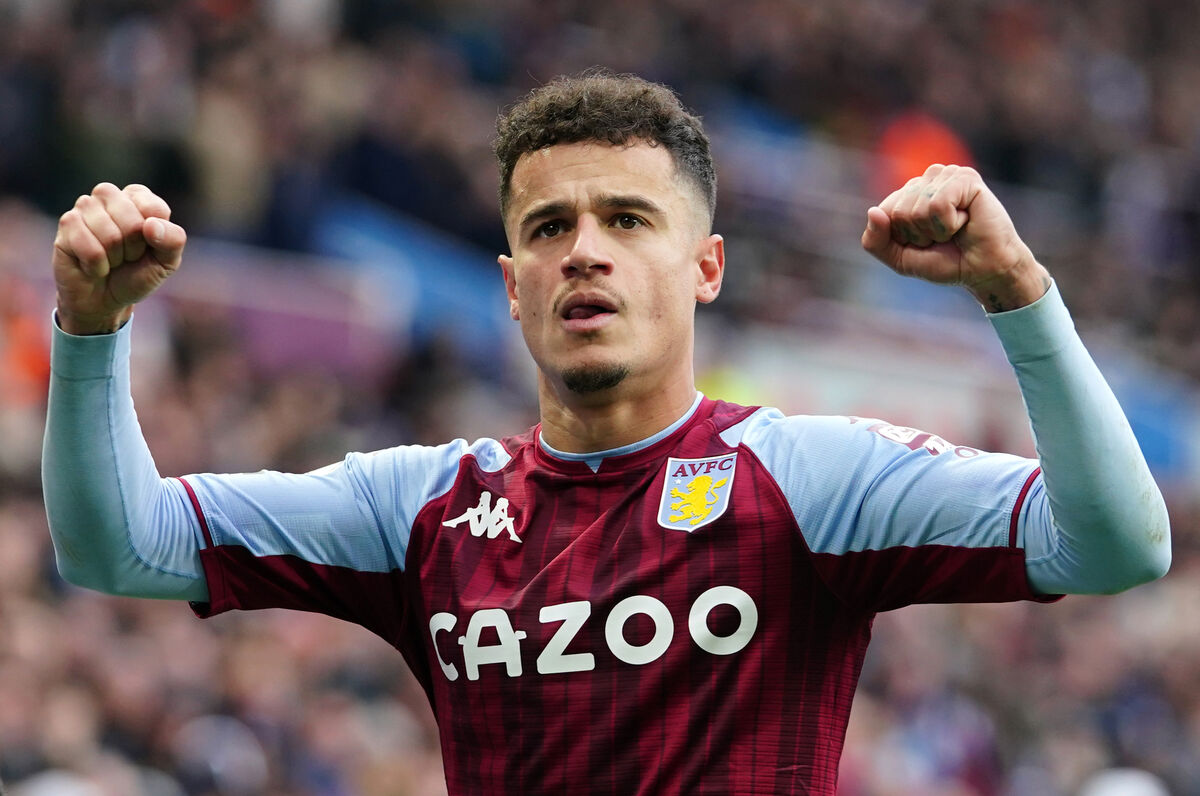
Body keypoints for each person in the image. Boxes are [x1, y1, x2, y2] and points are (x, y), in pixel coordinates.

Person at [42, 71, 1170, 795]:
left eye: (628, 219)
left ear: (706, 268)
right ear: (511, 285)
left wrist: (1019, 294)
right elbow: (122, 546)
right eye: (549, 227)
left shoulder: (812, 479)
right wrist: (92, 331)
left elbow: (1118, 544)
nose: (584, 250)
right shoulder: (420, 509)